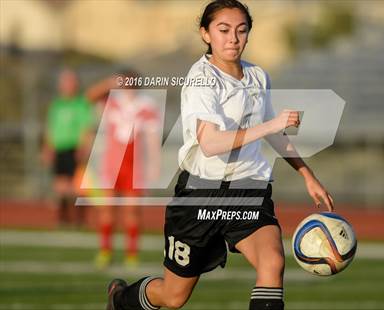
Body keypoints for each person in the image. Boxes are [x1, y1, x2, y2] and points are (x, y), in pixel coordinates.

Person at [105, 1, 334, 309]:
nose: (233, 38)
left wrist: (308, 175)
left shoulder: (257, 76)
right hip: (199, 196)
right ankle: (121, 300)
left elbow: (272, 133)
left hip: (248, 191)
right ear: (206, 33)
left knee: (272, 263)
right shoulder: (201, 78)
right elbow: (211, 143)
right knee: (174, 297)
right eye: (223, 30)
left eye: (241, 30)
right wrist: (269, 125)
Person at [93, 81, 162, 269]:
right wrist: (110, 81)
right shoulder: (112, 102)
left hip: (134, 167)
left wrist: (155, 163)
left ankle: (131, 254)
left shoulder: (146, 106)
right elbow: (89, 97)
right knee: (107, 211)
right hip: (111, 166)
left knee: (132, 212)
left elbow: (152, 138)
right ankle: (105, 251)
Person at [42, 69, 95, 226]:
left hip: (75, 148)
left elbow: (87, 127)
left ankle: (79, 220)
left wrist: (84, 147)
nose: (67, 85)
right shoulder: (56, 105)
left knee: (78, 186)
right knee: (60, 186)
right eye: (64, 81)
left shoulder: (81, 104)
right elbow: (50, 128)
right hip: (59, 148)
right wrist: (47, 147)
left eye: (70, 81)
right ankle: (63, 219)